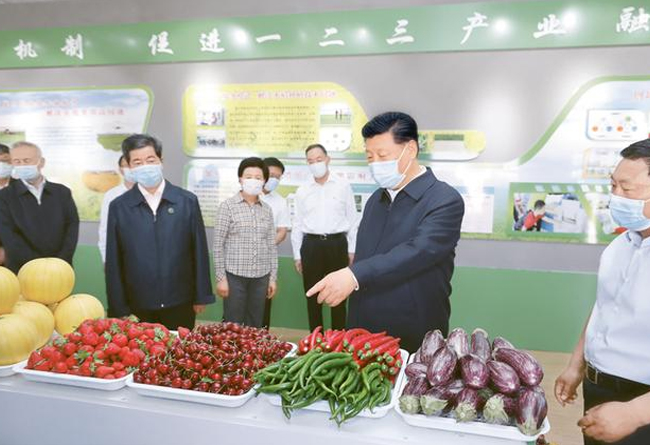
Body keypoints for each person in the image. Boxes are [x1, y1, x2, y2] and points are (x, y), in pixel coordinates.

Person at [306, 112, 464, 352]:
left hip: (412, 328)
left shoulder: (443, 199)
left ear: (410, 149)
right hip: (363, 327)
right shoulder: (376, 200)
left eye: (382, 155)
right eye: (370, 157)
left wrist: (353, 275)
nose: (375, 164)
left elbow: (418, 252)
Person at [555, 139, 650, 445]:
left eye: (627, 188)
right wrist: (576, 365)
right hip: (599, 387)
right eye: (613, 185)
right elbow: (604, 306)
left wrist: (635, 413)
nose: (616, 196)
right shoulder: (619, 246)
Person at [105, 134, 214, 330]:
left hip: (180, 300)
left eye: (150, 160)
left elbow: (199, 250)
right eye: (137, 162)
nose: (145, 166)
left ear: (160, 161)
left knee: (179, 348)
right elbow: (114, 260)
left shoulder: (186, 201)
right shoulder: (119, 207)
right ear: (129, 166)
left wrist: (202, 295)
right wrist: (117, 306)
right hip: (138, 303)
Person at [291, 144, 358, 331]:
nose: (315, 164)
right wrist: (297, 255)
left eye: (319, 159)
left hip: (337, 244)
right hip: (311, 246)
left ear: (328, 159)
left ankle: (339, 338)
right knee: (312, 295)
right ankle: (316, 339)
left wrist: (352, 249)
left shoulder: (342, 186)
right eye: (310, 161)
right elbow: (297, 224)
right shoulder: (302, 190)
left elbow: (352, 220)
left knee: (339, 295)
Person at [213, 157, 277, 328]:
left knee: (255, 325)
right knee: (232, 325)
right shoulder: (227, 206)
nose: (253, 180)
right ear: (240, 179)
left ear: (264, 181)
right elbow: (218, 245)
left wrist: (272, 278)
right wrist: (221, 278)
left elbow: (271, 246)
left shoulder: (267, 210)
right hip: (234, 277)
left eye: (258, 177)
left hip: (261, 277)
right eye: (248, 177)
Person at [0, 141, 79, 273]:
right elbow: (9, 236)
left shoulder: (62, 192)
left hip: (60, 269)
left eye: (27, 160)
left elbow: (71, 227)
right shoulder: (4, 196)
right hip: (23, 270)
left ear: (41, 162)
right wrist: (38, 266)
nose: (22, 165)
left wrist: (61, 260)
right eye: (17, 161)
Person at [260, 157, 291, 327]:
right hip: (240, 260)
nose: (274, 179)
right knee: (236, 306)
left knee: (263, 304)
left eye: (278, 177)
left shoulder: (280, 201)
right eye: (271, 175)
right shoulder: (243, 196)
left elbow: (282, 231)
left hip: (266, 260)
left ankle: (261, 339)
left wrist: (266, 245)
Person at [97, 155, 135, 263]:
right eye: (126, 165)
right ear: (120, 169)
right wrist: (105, 259)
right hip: (119, 255)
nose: (130, 168)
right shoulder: (111, 195)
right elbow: (105, 229)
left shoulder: (149, 193)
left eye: (133, 164)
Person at [0, 143, 13, 265]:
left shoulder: (24, 187)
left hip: (17, 254)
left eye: (5, 161)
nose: (2, 165)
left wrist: (7, 249)